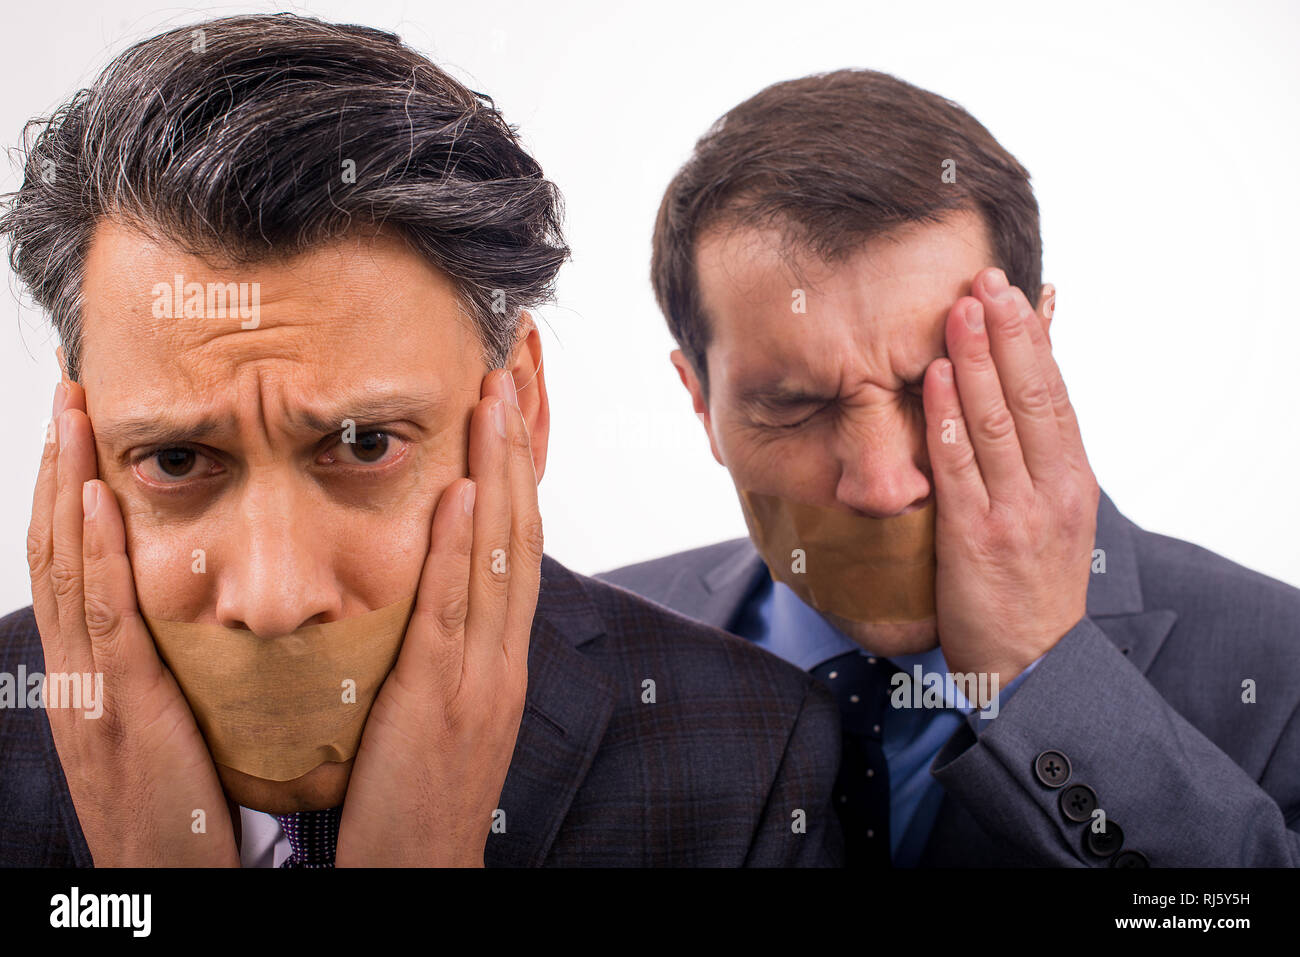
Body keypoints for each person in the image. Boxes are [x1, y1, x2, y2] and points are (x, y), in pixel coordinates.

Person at [0, 14, 840, 868]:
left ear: (521, 406)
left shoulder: (749, 757)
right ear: (75, 431)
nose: (276, 598)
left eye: (366, 447)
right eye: (175, 460)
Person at [601, 69, 1300, 867]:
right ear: (699, 401)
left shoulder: (1281, 671)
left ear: (1037, 355)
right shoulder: (571, 661)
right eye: (794, 404)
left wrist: (1041, 675)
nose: (882, 484)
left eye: (931, 387)